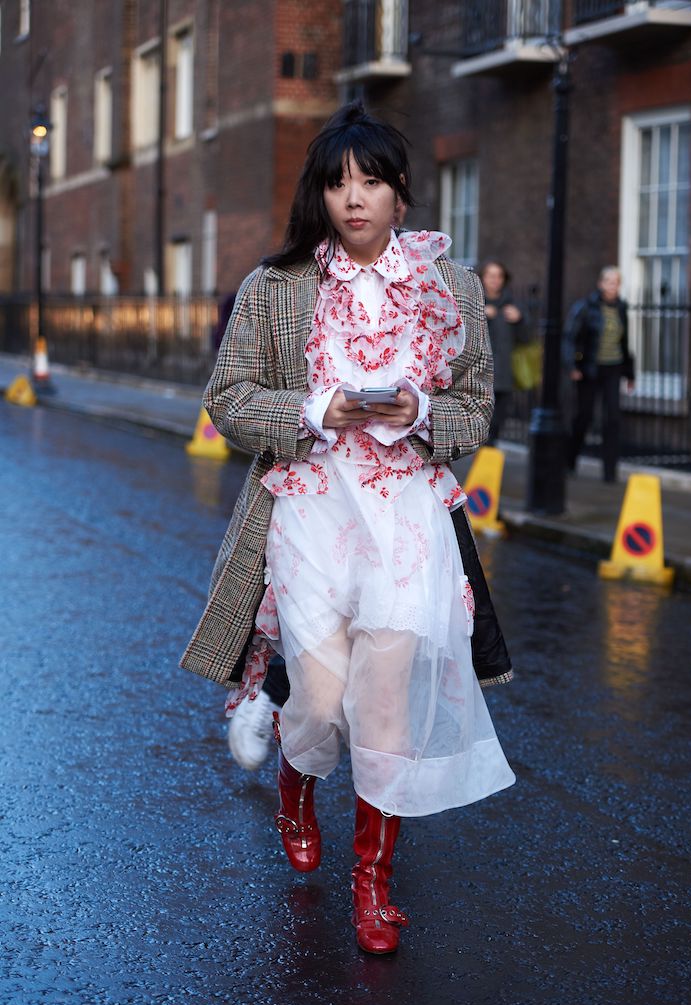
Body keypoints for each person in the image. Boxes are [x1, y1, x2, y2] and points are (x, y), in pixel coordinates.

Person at [181, 102, 516, 954]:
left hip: (407, 515)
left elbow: (479, 408)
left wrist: (422, 410)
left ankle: (373, 884)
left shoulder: (453, 288)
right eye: (338, 183)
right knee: (323, 704)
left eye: (371, 181)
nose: (354, 198)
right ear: (319, 196)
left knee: (387, 708)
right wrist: (318, 406)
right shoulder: (277, 288)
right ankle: (296, 785)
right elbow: (228, 399)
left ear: (401, 194)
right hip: (311, 508)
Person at [564, 266, 635, 483]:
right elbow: (569, 337)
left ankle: (610, 472)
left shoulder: (621, 308)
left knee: (612, 418)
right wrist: (571, 366)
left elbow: (624, 342)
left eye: (616, 282)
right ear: (601, 284)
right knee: (584, 416)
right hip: (589, 369)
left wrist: (630, 374)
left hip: (613, 369)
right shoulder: (586, 307)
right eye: (609, 282)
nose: (613, 286)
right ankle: (570, 460)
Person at [480, 259, 528, 445]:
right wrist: (481, 314)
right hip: (481, 373)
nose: (495, 280)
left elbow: (526, 339)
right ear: (483, 277)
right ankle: (482, 457)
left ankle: (488, 458)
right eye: (491, 275)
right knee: (482, 421)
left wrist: (520, 319)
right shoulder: (475, 301)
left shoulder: (512, 304)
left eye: (499, 276)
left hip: (505, 371)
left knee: (499, 419)